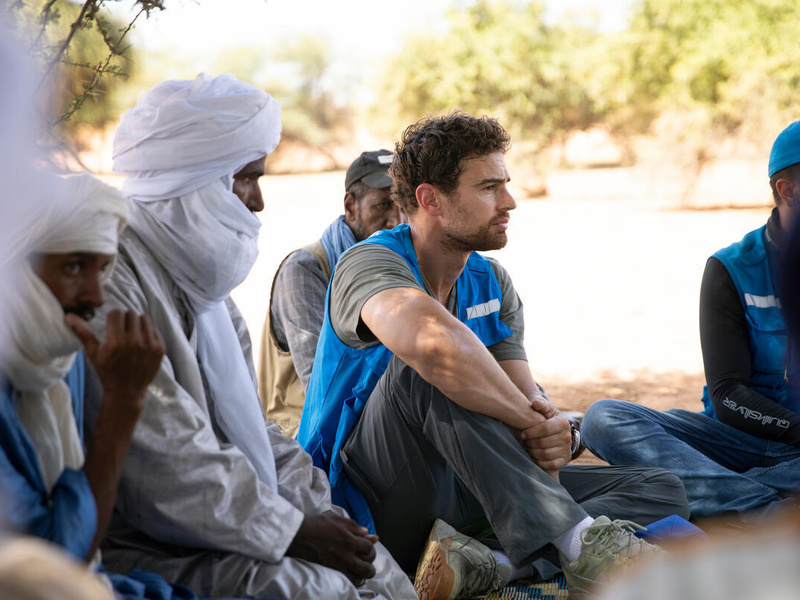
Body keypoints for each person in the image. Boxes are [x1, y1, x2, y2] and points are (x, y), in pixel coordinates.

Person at [297, 112, 690, 599]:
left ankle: (494, 566)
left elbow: (525, 394)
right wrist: (527, 420)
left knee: (661, 489)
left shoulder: (491, 279)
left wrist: (554, 430)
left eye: (505, 184)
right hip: (373, 499)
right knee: (429, 368)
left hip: (476, 490)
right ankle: (582, 547)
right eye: (488, 188)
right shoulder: (370, 261)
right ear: (430, 199)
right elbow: (432, 346)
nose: (510, 201)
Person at [86, 73, 414, 600]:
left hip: (233, 514)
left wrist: (320, 514)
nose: (257, 201)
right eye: (244, 179)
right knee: (310, 588)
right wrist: (292, 531)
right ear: (195, 180)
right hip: (148, 540)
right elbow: (164, 461)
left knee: (380, 570)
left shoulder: (204, 289)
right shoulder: (110, 282)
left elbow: (255, 435)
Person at [582, 120, 800, 519]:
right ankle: (767, 509)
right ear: (789, 191)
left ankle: (715, 500)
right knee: (603, 419)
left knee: (674, 484)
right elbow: (729, 395)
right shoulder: (732, 268)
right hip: (729, 441)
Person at [0, 172, 171, 598]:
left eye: (103, 267)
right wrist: (123, 403)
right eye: (74, 266)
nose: (96, 296)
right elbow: (50, 566)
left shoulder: (59, 354)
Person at [258, 149, 401, 435]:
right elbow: (322, 387)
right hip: (303, 433)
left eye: (403, 206)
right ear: (351, 206)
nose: (396, 221)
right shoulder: (306, 270)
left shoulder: (397, 263)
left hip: (367, 419)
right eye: (383, 205)